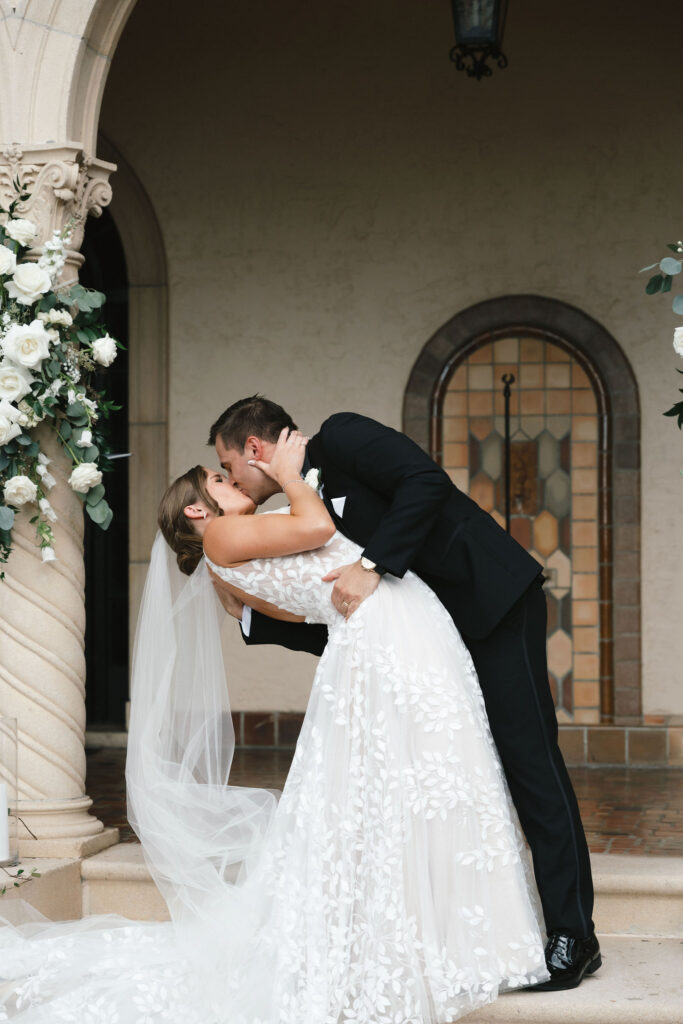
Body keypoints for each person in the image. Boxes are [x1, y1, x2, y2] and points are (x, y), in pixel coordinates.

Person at [0, 430, 549, 1023]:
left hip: (387, 634)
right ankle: (440, 943)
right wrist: (289, 472)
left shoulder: (229, 552)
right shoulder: (225, 533)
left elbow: (303, 596)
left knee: (418, 784)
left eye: (228, 471)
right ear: (196, 509)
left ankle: (436, 938)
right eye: (218, 480)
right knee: (426, 779)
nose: (232, 482)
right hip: (390, 636)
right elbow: (316, 531)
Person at [208, 395, 601, 992]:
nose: (231, 479)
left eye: (229, 467)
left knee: (530, 765)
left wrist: (374, 562)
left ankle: (575, 937)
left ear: (255, 449)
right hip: (433, 639)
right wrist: (254, 621)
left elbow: (426, 481)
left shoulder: (340, 436)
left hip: (490, 605)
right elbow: (354, 619)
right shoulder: (301, 504)